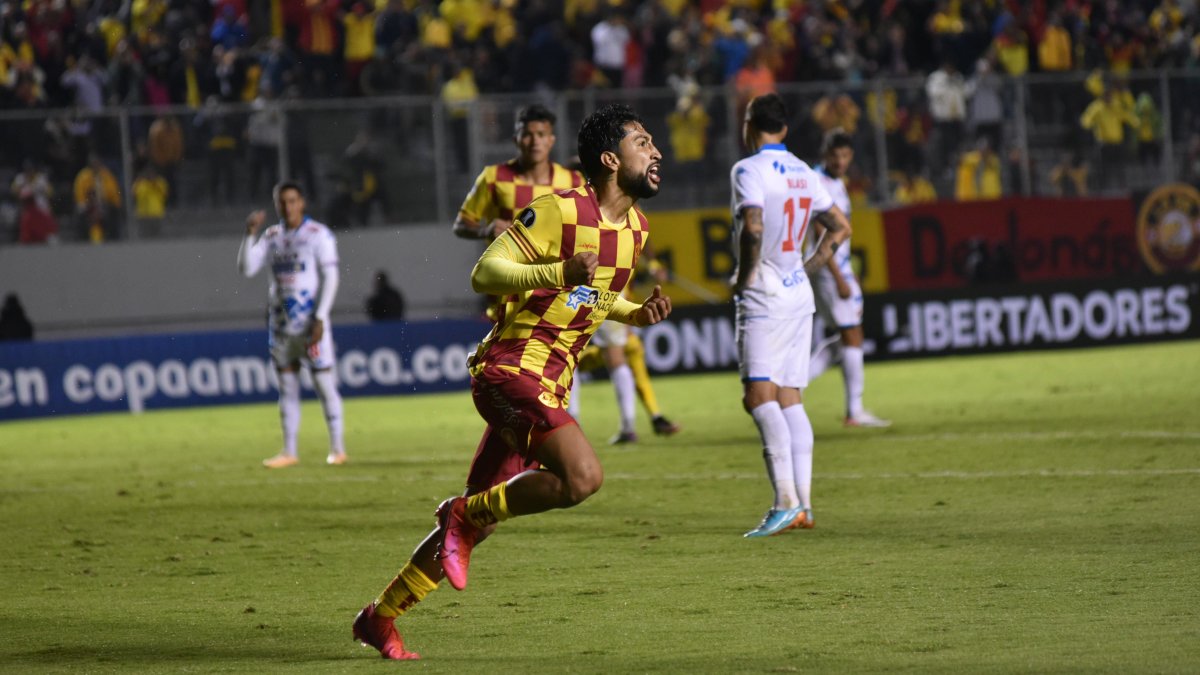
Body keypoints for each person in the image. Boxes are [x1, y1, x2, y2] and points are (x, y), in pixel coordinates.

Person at [352, 103, 671, 660]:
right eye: (643, 142)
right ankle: (460, 512)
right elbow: (485, 273)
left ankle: (380, 617)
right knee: (582, 477)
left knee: (481, 521)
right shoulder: (557, 211)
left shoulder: (637, 229)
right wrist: (556, 269)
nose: (656, 151)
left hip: (549, 381)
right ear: (610, 159)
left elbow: (586, 296)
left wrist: (631, 312)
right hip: (510, 367)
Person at [729, 93, 851, 538]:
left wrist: (745, 276)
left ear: (749, 124)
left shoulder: (748, 170)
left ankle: (784, 502)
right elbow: (840, 227)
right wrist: (808, 267)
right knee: (789, 397)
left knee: (759, 397)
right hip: (798, 294)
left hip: (762, 294)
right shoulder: (804, 171)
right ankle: (804, 506)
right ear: (784, 128)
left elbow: (754, 226)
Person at [237, 181, 347, 468]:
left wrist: (321, 316)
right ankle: (289, 451)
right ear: (277, 204)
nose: (287, 207)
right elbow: (247, 268)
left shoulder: (318, 235)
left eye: (292, 200)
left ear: (302, 203)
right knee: (286, 387)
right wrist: (250, 234)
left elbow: (331, 278)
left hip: (310, 324)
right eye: (282, 202)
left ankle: (337, 449)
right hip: (281, 325)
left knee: (323, 383)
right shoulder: (272, 236)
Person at [807, 130, 891, 428]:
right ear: (825, 154)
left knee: (845, 340)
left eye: (845, 156)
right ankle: (854, 411)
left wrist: (848, 271)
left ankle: (791, 386)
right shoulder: (818, 182)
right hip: (828, 271)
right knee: (851, 335)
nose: (840, 161)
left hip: (840, 268)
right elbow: (821, 232)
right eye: (835, 156)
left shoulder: (838, 184)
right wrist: (839, 277)